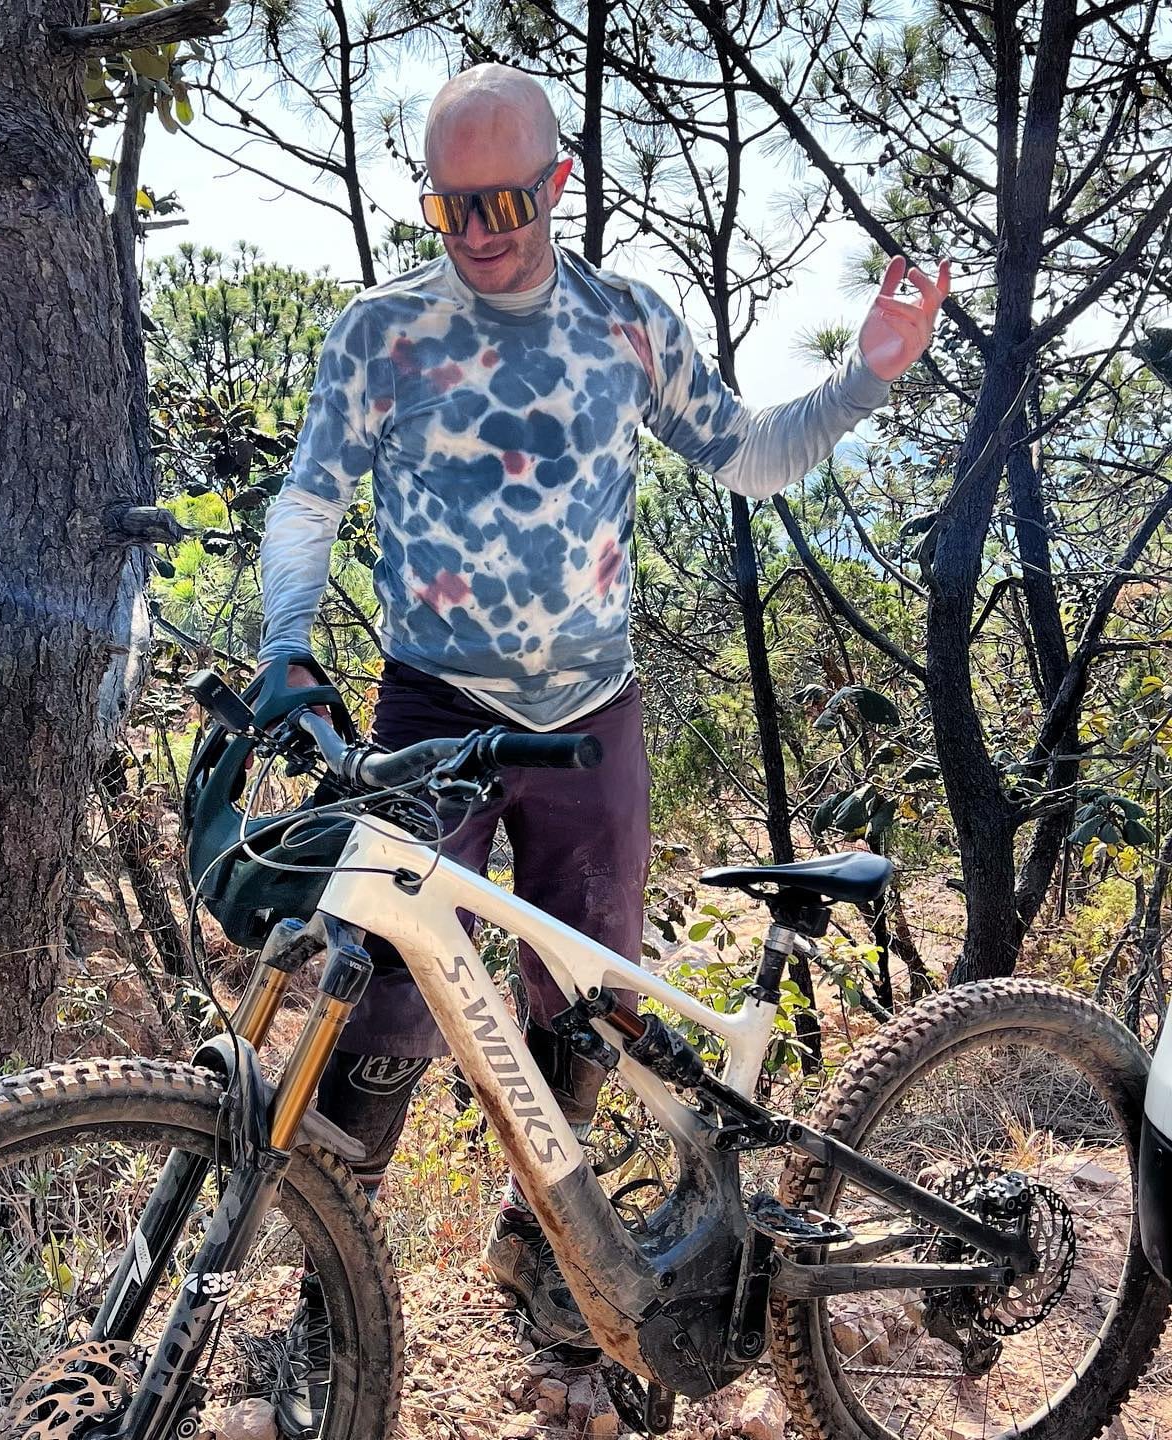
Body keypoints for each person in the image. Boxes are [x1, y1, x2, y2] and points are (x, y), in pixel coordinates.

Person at [256, 59, 949, 1371]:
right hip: (432, 710)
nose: (479, 229)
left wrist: (866, 377)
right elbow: (307, 501)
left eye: (505, 199)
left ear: (559, 183)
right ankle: (329, 1296)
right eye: (451, 205)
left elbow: (751, 456)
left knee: (585, 1001)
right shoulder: (384, 332)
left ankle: (548, 1257)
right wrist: (287, 646)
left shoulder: (627, 324)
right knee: (383, 996)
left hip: (592, 722)